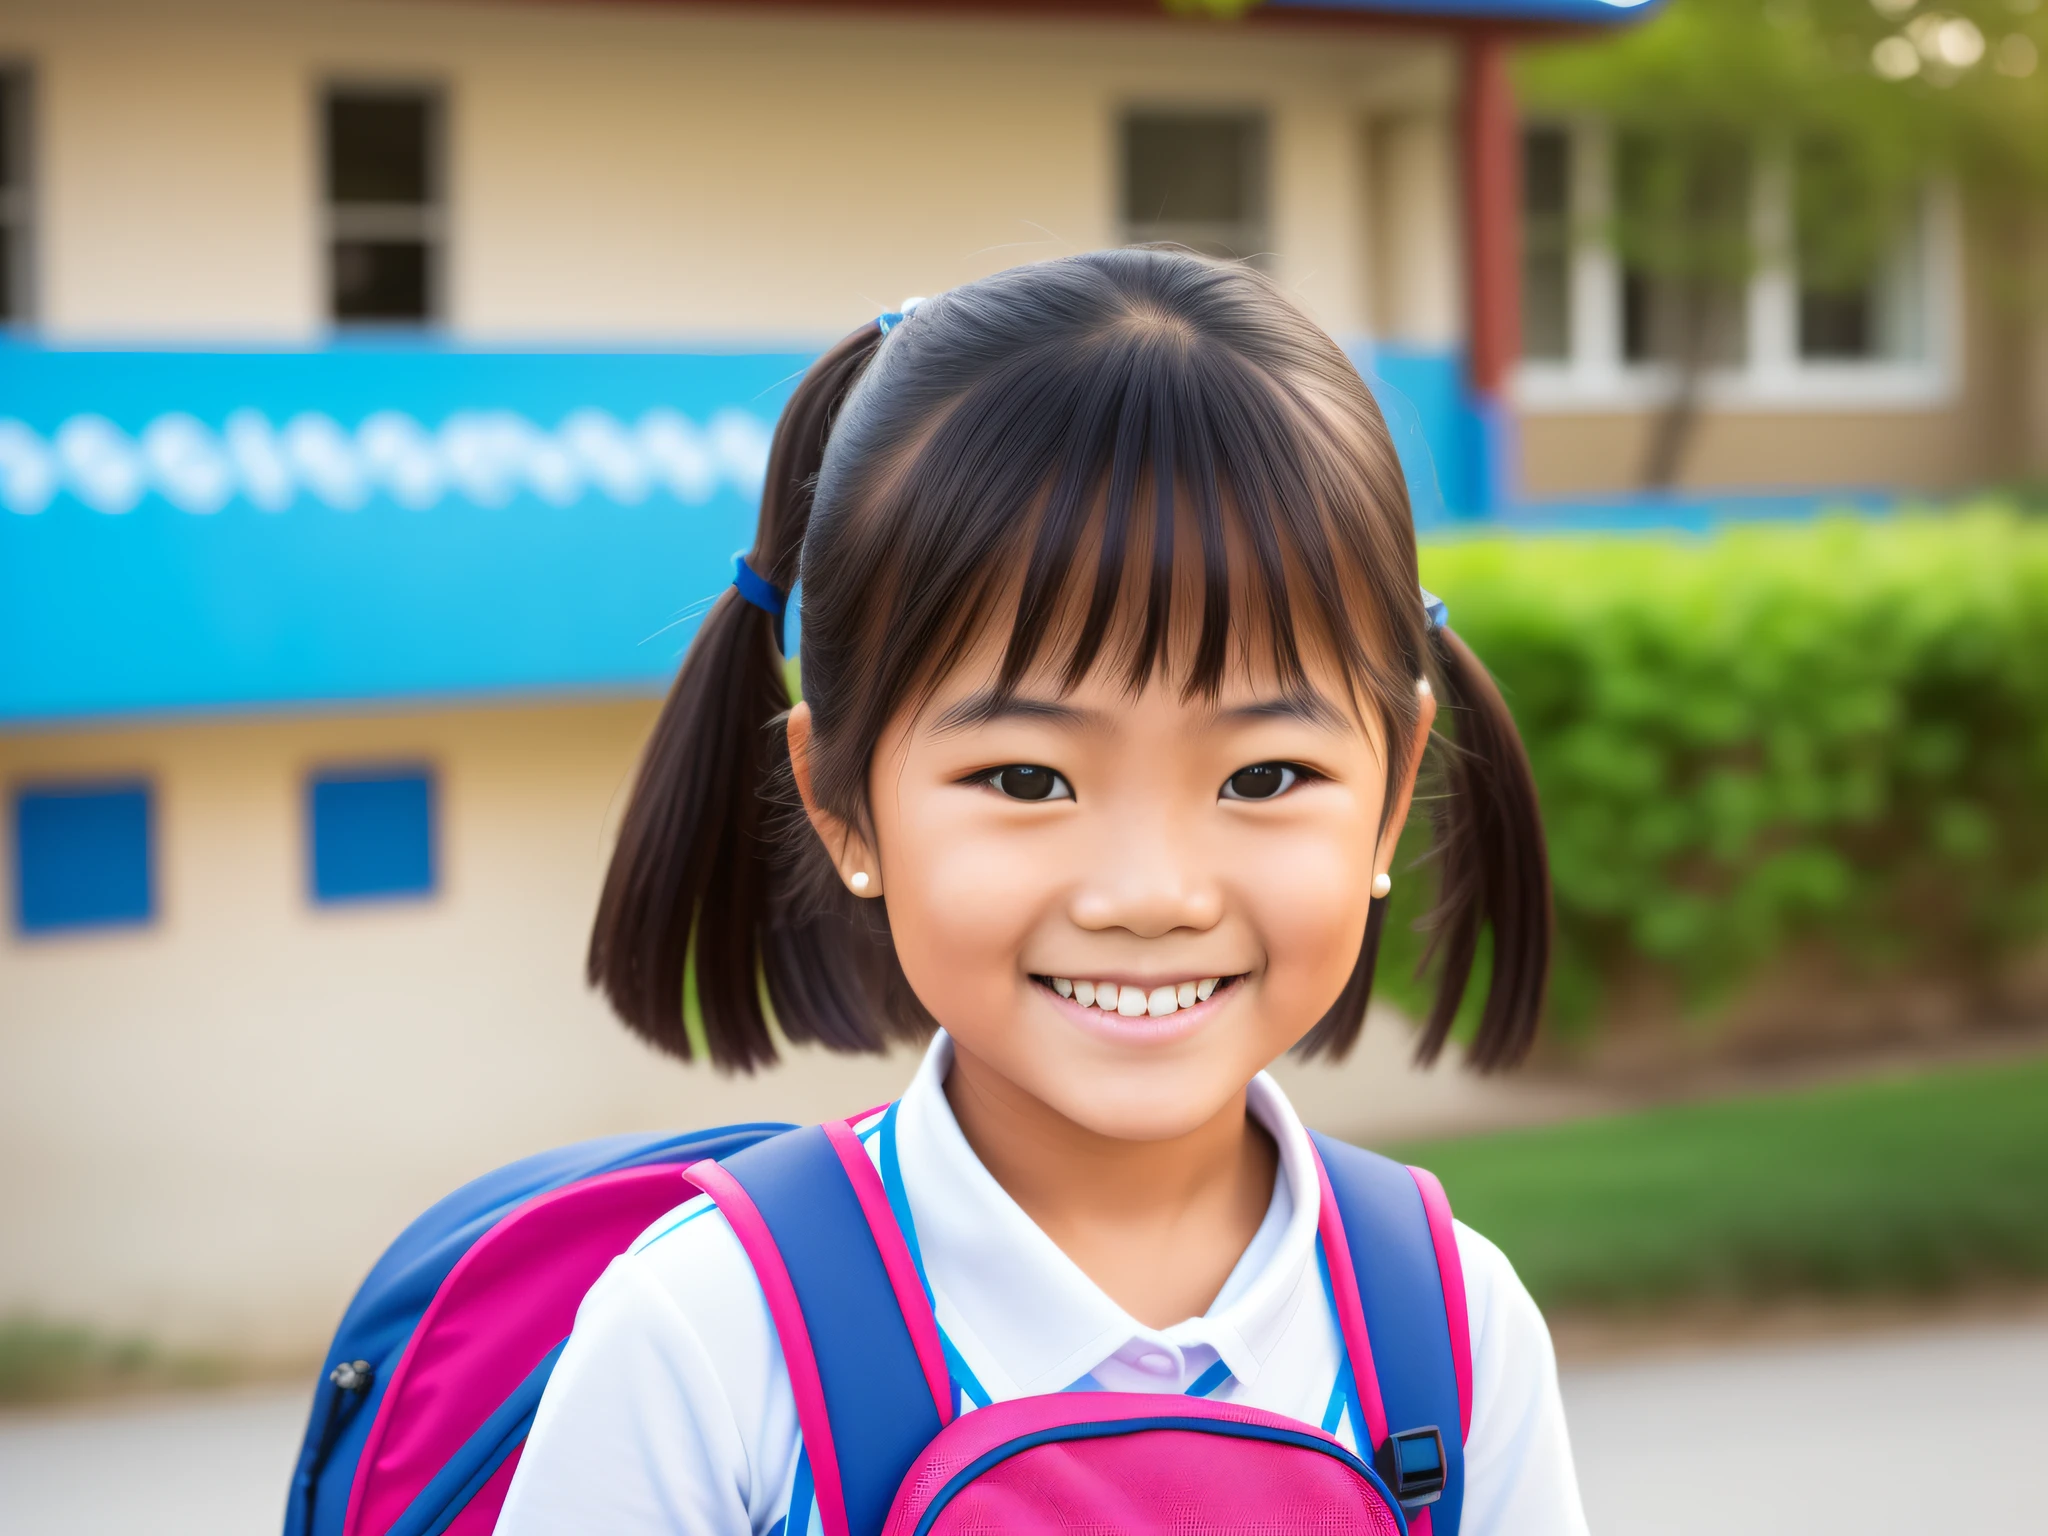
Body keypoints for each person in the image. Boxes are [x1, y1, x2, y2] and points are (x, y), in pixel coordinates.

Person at [495, 249, 1580, 1536]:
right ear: (843, 799)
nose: (1149, 892)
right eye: (1024, 776)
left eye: (1265, 773)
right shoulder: (713, 1344)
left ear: (1391, 790)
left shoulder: (1449, 1332)